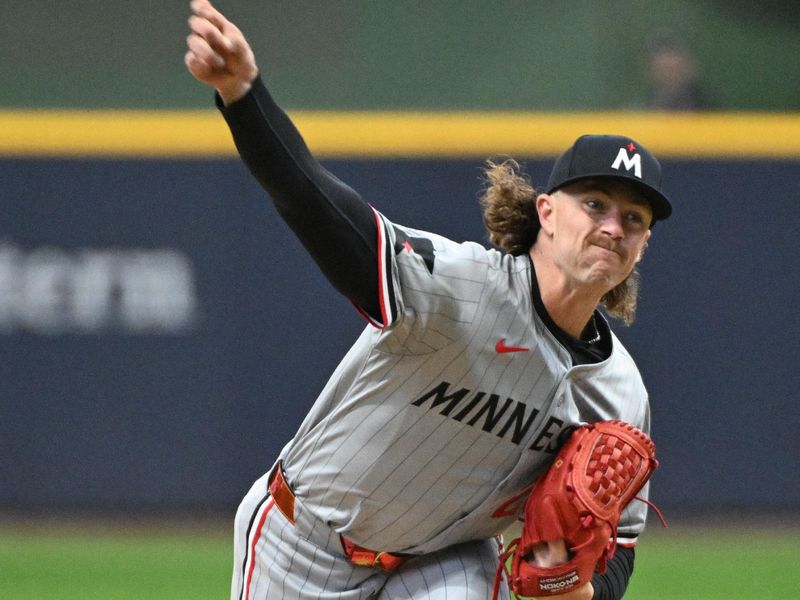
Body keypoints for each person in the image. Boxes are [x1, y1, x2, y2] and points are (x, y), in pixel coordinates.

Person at [185, 1, 672, 598]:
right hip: (307, 538)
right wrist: (243, 95)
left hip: (444, 560)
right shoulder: (458, 286)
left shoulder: (619, 389)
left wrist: (585, 591)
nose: (612, 227)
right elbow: (318, 207)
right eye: (594, 205)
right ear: (545, 213)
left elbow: (620, 543)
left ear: (643, 245)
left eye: (633, 218)